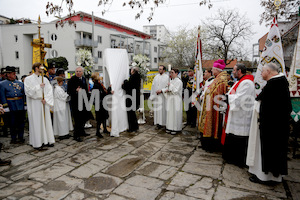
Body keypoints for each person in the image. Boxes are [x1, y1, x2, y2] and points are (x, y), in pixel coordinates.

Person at [247, 63, 292, 183]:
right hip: (275, 125)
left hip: (272, 126)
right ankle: (272, 176)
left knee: (270, 152)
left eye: (262, 71)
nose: (261, 73)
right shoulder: (278, 82)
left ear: (269, 71)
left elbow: (269, 106)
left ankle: (265, 177)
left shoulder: (275, 84)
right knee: (274, 152)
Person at [222, 63, 255, 167]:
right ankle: (231, 158)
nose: (232, 72)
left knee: (239, 137)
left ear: (239, 71)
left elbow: (240, 98)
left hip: (242, 115)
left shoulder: (247, 83)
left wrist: (227, 98)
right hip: (236, 114)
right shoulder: (240, 81)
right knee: (233, 135)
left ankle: (238, 160)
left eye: (234, 70)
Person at [198, 59, 228, 152]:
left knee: (214, 125)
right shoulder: (217, 78)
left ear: (217, 69)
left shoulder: (222, 79)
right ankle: (206, 143)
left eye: (213, 69)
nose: (212, 71)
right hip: (209, 105)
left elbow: (219, 93)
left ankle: (212, 145)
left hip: (214, 106)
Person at [24, 62, 55, 150]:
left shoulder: (45, 79)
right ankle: (38, 142)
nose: (43, 69)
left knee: (46, 121)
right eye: (41, 68)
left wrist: (46, 99)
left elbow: (49, 90)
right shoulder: (28, 79)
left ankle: (48, 140)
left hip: (43, 102)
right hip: (35, 103)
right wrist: (38, 87)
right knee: (37, 122)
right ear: (36, 68)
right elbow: (28, 92)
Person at [0, 66, 26, 144]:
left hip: (20, 104)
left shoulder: (20, 83)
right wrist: (5, 106)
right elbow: (2, 95)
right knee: (12, 123)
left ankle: (21, 137)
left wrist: (25, 104)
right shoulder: (2, 84)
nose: (14, 74)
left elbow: (24, 94)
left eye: (15, 73)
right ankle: (13, 138)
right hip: (11, 105)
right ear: (8, 74)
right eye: (12, 73)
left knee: (21, 122)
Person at [67, 66, 91, 142]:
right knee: (77, 119)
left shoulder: (84, 79)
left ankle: (82, 131)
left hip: (83, 102)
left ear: (82, 72)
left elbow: (86, 89)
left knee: (84, 117)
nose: (78, 72)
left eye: (79, 71)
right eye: (77, 71)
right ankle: (76, 135)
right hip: (75, 103)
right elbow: (69, 91)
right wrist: (76, 90)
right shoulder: (72, 80)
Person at [162, 68, 183, 135]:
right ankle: (170, 127)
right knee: (170, 114)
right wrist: (165, 90)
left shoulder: (179, 81)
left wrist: (170, 86)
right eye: (170, 73)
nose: (171, 74)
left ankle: (176, 128)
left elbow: (176, 91)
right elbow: (167, 88)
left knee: (175, 114)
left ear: (176, 73)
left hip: (176, 99)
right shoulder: (171, 81)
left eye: (172, 72)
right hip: (170, 99)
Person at [91, 73, 112, 138]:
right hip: (99, 104)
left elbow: (104, 93)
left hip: (102, 103)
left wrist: (108, 90)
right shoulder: (96, 85)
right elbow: (102, 94)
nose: (100, 77)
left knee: (104, 117)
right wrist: (108, 90)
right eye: (98, 76)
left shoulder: (99, 84)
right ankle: (97, 132)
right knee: (100, 118)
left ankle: (105, 129)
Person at [149, 65, 169, 130]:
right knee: (157, 110)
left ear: (164, 70)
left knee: (163, 110)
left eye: (160, 69)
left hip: (163, 96)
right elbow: (153, 86)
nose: (159, 70)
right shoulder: (156, 77)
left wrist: (161, 90)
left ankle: (164, 123)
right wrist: (152, 95)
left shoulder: (167, 77)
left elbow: (168, 87)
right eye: (159, 69)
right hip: (156, 96)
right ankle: (158, 123)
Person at [122, 67, 141, 132]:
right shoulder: (138, 77)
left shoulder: (133, 77)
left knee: (130, 114)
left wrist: (124, 82)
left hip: (131, 98)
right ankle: (135, 126)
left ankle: (132, 128)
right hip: (135, 97)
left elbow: (129, 86)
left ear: (133, 71)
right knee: (133, 113)